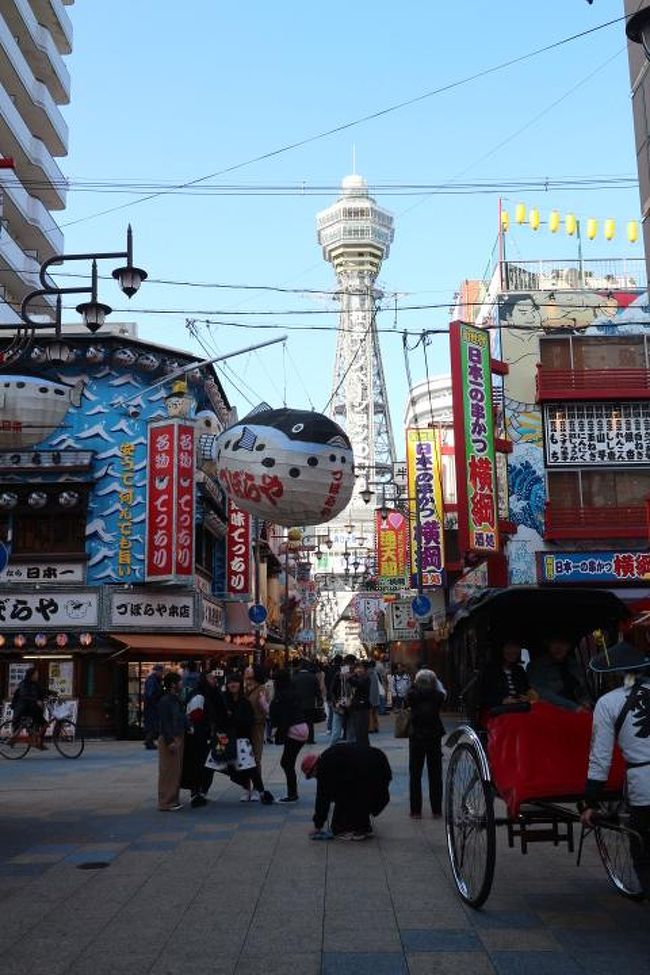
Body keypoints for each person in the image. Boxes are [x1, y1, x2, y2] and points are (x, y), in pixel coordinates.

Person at [580, 641, 650, 898]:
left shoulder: (608, 703)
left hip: (644, 788)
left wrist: (591, 801)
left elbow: (600, 758)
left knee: (643, 849)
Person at [303, 743, 392, 840]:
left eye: (312, 776)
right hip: (379, 761)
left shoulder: (324, 769)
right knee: (349, 793)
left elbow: (322, 799)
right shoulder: (328, 757)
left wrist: (318, 826)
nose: (315, 778)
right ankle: (363, 826)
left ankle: (359, 829)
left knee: (349, 798)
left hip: (371, 771)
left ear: (314, 768)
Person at [181, 672, 227, 808]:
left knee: (209, 764)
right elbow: (195, 716)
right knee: (201, 763)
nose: (214, 680)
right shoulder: (200, 695)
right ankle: (197, 791)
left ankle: (202, 790)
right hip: (200, 737)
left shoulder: (212, 694)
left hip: (210, 736)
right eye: (211, 678)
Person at [220, 672, 268, 802]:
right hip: (231, 736)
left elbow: (254, 715)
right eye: (230, 682)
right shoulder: (226, 698)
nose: (233, 684)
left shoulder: (251, 696)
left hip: (248, 733)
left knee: (251, 762)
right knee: (235, 763)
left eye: (235, 682)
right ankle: (246, 787)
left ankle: (257, 789)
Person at [406, 669, 446, 819]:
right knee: (435, 774)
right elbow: (443, 692)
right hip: (434, 735)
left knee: (415, 774)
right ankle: (436, 810)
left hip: (416, 736)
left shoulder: (412, 695)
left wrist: (415, 684)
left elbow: (409, 693)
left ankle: (416, 810)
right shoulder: (438, 696)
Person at [270, 669, 307, 802]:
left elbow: (283, 717)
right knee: (287, 762)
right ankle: (292, 793)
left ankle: (292, 794)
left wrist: (279, 734)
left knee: (286, 762)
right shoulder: (293, 692)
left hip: (295, 730)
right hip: (302, 727)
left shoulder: (282, 695)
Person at [528, 635, 591, 712]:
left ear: (568, 646)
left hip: (579, 710)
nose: (558, 647)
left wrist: (585, 702)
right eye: (554, 643)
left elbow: (582, 689)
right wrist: (574, 707)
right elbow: (542, 693)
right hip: (552, 712)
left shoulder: (573, 664)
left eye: (563, 643)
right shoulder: (537, 666)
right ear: (548, 644)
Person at [244, 665, 274, 803]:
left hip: (257, 726)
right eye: (246, 677)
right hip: (244, 727)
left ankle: (257, 788)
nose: (247, 679)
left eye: (249, 677)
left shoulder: (262, 690)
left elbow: (266, 708)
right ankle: (246, 788)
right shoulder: (244, 689)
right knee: (244, 758)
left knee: (255, 757)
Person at [157, 672, 186, 812]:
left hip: (177, 736)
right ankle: (166, 801)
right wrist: (169, 741)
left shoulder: (175, 699)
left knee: (174, 770)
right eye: (180, 682)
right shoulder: (166, 701)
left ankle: (172, 799)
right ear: (173, 685)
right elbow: (164, 722)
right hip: (171, 737)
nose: (182, 684)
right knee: (169, 771)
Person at [480, 641, 530, 710]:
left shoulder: (519, 670)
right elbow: (483, 697)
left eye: (516, 648)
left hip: (520, 707)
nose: (513, 651)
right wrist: (502, 701)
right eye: (509, 648)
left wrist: (526, 697)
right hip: (499, 709)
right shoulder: (490, 670)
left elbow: (527, 689)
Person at [11, 667, 47, 749]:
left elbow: (43, 691)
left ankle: (38, 741)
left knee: (43, 724)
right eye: (36, 674)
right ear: (31, 675)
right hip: (25, 709)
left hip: (33, 709)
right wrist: (36, 701)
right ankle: (37, 742)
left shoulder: (36, 684)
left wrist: (55, 693)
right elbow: (24, 695)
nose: (37, 675)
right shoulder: (24, 684)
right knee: (43, 723)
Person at [292, 659, 320, 744]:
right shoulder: (312, 677)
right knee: (310, 722)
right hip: (310, 703)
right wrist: (319, 699)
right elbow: (317, 690)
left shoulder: (294, 678)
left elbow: (291, 691)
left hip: (298, 704)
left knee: (298, 722)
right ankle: (310, 739)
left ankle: (299, 738)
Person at [347, 659, 371, 747]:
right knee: (358, 731)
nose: (358, 670)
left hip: (362, 707)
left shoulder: (365, 678)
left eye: (360, 668)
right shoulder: (358, 677)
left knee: (362, 731)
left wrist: (349, 677)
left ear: (365, 669)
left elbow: (358, 684)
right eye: (357, 668)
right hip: (356, 707)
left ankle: (364, 748)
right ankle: (362, 747)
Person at [330, 657, 352, 745]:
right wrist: (335, 702)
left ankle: (350, 750)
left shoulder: (353, 677)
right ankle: (332, 747)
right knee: (336, 731)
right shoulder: (337, 677)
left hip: (350, 706)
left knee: (350, 731)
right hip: (339, 705)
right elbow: (332, 690)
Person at [142, 664, 164, 749]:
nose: (162, 674)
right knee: (152, 724)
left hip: (152, 705)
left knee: (152, 724)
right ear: (157, 671)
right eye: (161, 672)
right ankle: (149, 741)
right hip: (152, 706)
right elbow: (150, 694)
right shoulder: (153, 680)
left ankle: (149, 741)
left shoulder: (154, 679)